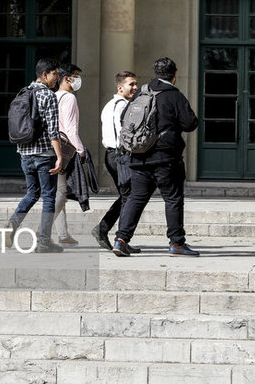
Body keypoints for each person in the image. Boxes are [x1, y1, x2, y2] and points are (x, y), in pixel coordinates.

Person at [113, 57, 198, 256]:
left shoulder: (141, 92)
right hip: (166, 158)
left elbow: (125, 118)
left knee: (136, 198)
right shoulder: (174, 95)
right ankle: (177, 243)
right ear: (174, 75)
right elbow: (190, 123)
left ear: (156, 74)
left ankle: (121, 240)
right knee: (173, 199)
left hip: (139, 156)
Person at [7, 57, 65, 253]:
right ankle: (44, 242)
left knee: (32, 193)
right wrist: (59, 157)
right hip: (44, 155)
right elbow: (53, 131)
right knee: (49, 197)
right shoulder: (49, 95)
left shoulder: (23, 92)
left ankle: (13, 224)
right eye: (55, 74)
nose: (57, 78)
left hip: (25, 154)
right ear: (44, 74)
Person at [92, 70, 139, 251]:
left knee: (127, 196)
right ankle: (118, 238)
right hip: (121, 155)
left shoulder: (109, 105)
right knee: (130, 196)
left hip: (113, 155)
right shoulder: (122, 106)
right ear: (120, 87)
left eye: (135, 84)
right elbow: (124, 134)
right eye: (131, 84)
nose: (135, 87)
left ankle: (109, 232)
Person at [54, 62, 85, 245]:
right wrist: (80, 150)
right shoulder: (69, 98)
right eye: (76, 76)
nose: (78, 80)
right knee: (62, 192)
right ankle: (42, 228)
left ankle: (63, 234)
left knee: (60, 190)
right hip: (65, 149)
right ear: (66, 78)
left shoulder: (53, 96)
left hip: (52, 148)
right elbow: (71, 129)